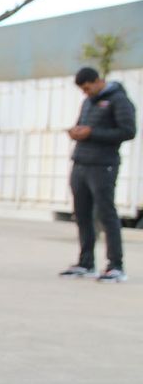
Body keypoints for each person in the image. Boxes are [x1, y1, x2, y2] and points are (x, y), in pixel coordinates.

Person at [61, 65, 135, 282]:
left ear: (97, 81)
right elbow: (82, 126)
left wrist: (92, 132)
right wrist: (76, 132)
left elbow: (128, 131)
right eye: (82, 90)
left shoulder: (119, 100)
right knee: (82, 214)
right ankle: (86, 263)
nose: (85, 93)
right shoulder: (88, 102)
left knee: (106, 214)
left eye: (87, 88)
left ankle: (115, 266)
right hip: (81, 162)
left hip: (103, 165)